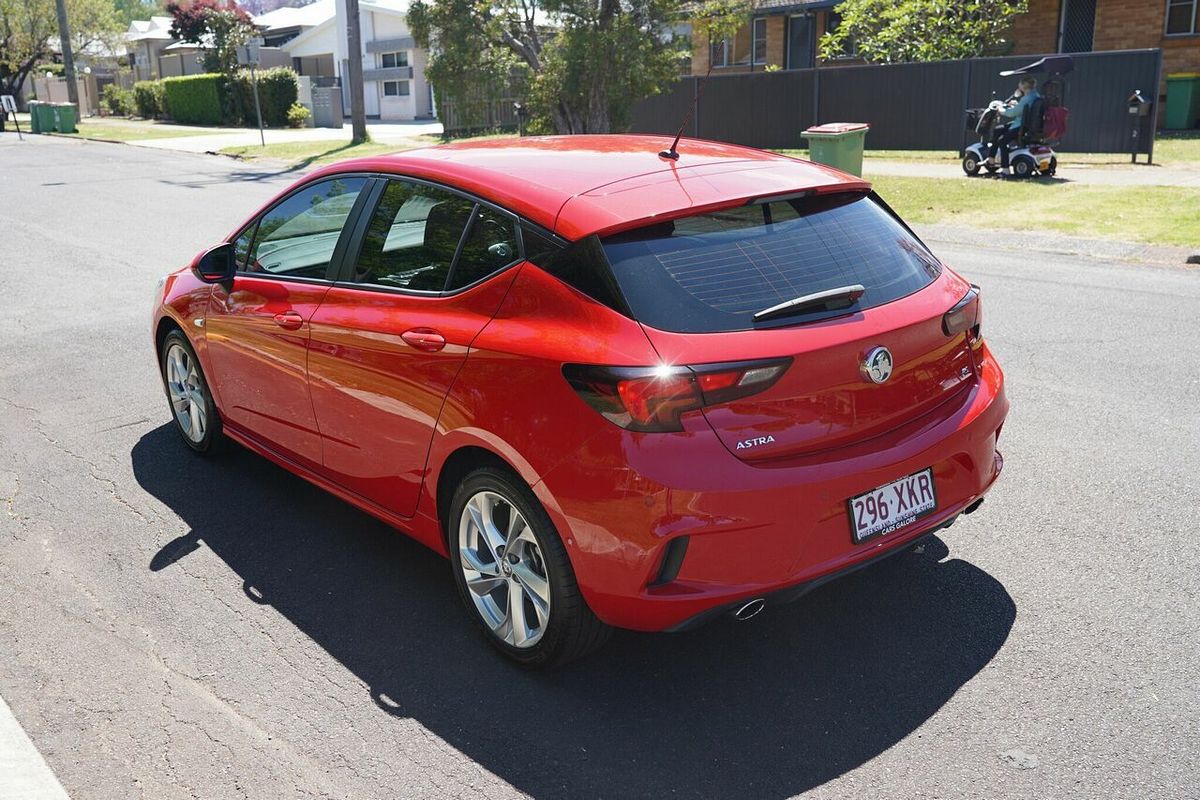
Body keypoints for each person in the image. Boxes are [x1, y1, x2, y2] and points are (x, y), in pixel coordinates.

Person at [987, 77, 1041, 176]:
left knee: (1002, 141)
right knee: (998, 130)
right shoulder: (1034, 95)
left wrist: (1001, 110)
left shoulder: (1026, 98)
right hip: (1024, 124)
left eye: (1019, 84)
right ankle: (991, 158)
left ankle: (1005, 169)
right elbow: (1022, 110)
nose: (1018, 85)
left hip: (1020, 126)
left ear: (1024, 86)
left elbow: (1012, 113)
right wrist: (1016, 104)